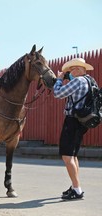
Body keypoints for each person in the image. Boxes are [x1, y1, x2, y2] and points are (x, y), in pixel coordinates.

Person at [53, 57, 96, 200]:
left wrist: (59, 79)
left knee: (66, 156)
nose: (69, 72)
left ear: (78, 69)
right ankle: (75, 185)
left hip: (72, 121)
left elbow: (58, 93)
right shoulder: (91, 80)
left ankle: (77, 190)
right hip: (83, 121)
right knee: (73, 155)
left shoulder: (77, 81)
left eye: (71, 69)